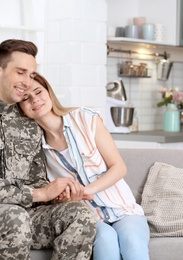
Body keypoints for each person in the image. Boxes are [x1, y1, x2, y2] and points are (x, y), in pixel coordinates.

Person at [0, 39, 97, 260]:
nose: (27, 81)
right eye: (21, 72)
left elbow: (37, 179)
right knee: (14, 217)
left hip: (23, 214)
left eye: (31, 75)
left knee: (81, 214)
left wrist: (58, 196)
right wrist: (38, 194)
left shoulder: (29, 121)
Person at [18, 73, 150, 260]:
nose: (35, 100)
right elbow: (47, 193)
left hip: (123, 209)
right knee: (106, 240)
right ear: (21, 108)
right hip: (89, 218)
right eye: (25, 98)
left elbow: (119, 167)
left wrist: (86, 190)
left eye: (38, 91)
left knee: (133, 244)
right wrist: (62, 197)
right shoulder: (33, 147)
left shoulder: (85, 118)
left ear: (49, 92)